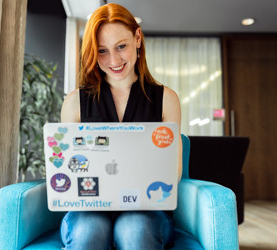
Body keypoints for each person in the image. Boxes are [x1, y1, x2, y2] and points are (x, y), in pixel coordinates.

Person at [60, 3, 182, 249]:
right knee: (89, 230)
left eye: (121, 47)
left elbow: (172, 170)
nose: (113, 60)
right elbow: (70, 169)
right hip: (88, 210)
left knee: (134, 229)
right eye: (102, 51)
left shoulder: (166, 99)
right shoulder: (75, 102)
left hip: (147, 210)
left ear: (138, 38)